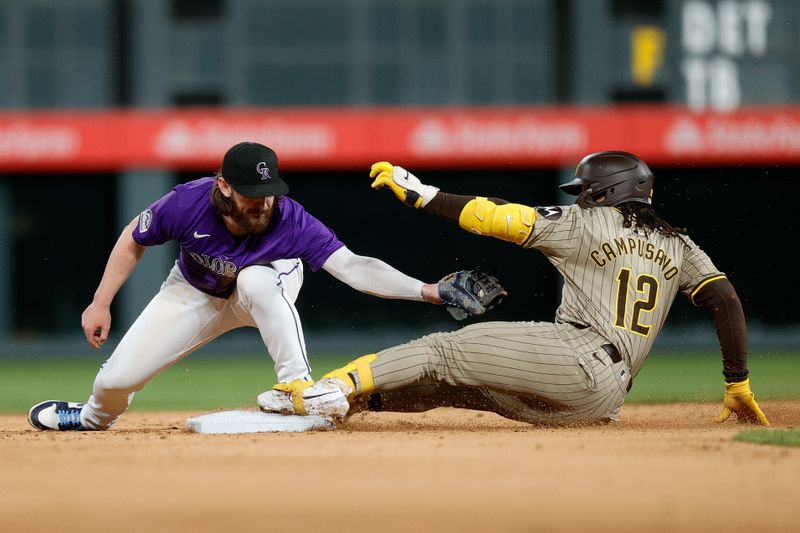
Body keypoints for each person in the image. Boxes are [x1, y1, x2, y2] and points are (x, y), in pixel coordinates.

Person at [261, 151, 771, 427]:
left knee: (443, 350)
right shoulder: (679, 245)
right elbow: (725, 302)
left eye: (587, 189)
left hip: (578, 357)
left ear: (607, 190)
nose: (582, 197)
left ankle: (328, 388)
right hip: (602, 400)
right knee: (458, 386)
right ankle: (355, 406)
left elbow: (496, 217)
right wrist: (737, 385)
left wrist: (423, 195)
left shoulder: (585, 223)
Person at [27, 141, 450, 431]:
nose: (263, 202)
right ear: (223, 185)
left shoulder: (289, 217)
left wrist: (426, 290)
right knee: (113, 382)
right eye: (252, 192)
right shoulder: (186, 203)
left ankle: (297, 386)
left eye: (269, 191)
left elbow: (353, 266)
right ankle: (92, 418)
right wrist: (101, 302)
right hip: (195, 292)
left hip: (263, 289)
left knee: (257, 278)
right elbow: (132, 238)